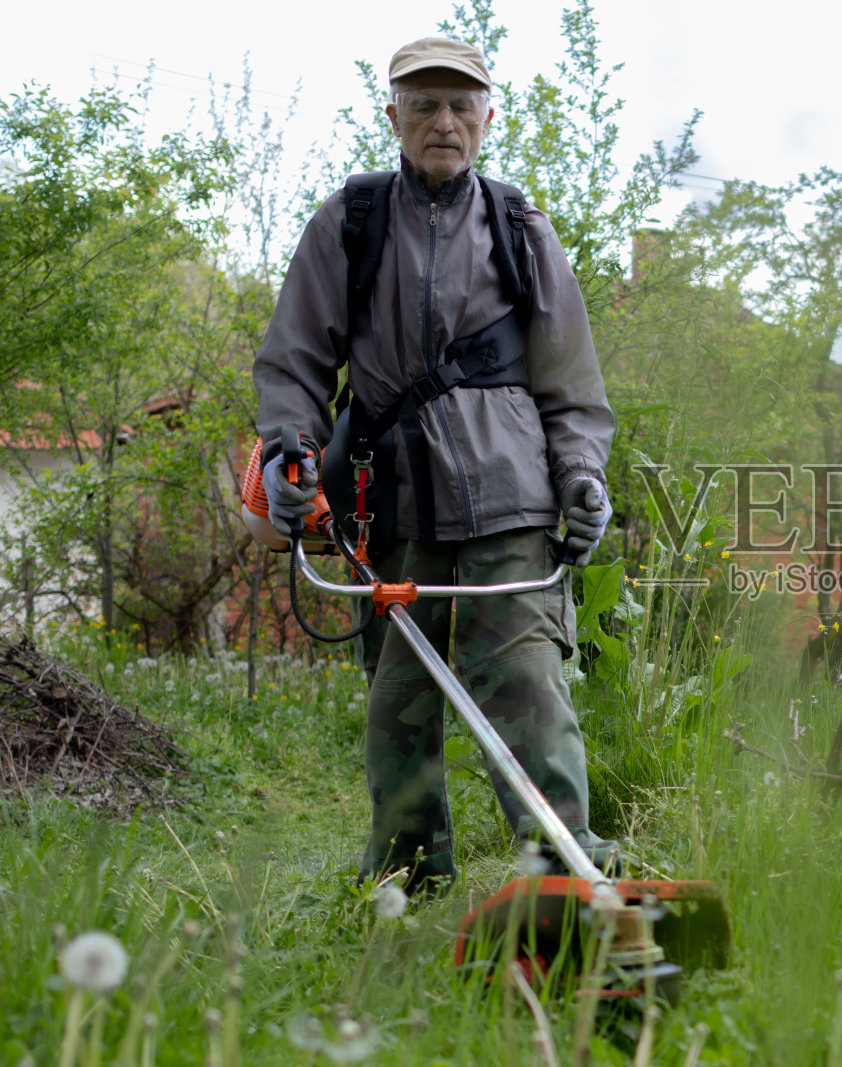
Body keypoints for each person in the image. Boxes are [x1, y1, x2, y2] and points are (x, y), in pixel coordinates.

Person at [251, 36, 617, 896]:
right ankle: (407, 879)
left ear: (489, 118)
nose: (443, 121)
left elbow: (570, 382)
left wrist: (582, 478)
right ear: (394, 118)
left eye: (461, 105)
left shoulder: (521, 229)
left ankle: (565, 875)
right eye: (424, 105)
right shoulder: (350, 221)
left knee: (529, 691)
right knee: (399, 705)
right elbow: (295, 361)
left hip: (514, 503)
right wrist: (289, 450)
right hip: (393, 504)